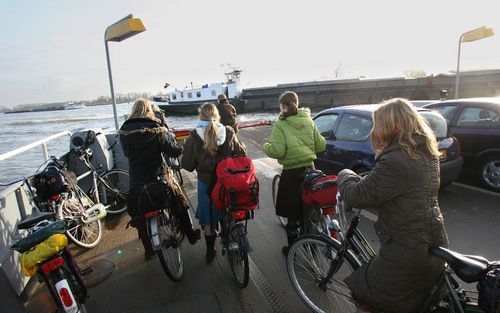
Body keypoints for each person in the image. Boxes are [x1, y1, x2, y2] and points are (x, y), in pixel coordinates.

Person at [337, 98, 449, 313]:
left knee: (367, 295)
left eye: (378, 124)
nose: (374, 130)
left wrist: (345, 175)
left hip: (407, 250)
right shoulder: (424, 149)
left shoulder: (396, 160)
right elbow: (396, 184)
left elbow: (356, 196)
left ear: (395, 127)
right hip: (434, 241)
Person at [119, 98, 201, 260]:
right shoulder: (156, 129)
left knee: (139, 211)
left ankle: (148, 250)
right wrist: (181, 147)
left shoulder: (124, 130)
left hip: (137, 178)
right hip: (158, 176)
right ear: (149, 110)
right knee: (179, 201)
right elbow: (172, 152)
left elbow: (127, 154)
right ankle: (190, 234)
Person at [262, 91, 326, 255]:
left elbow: (278, 150)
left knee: (292, 214)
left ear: (282, 106)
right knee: (309, 208)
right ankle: (311, 244)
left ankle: (292, 250)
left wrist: (266, 146)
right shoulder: (309, 120)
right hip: (310, 170)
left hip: (291, 174)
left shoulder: (280, 124)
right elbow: (321, 146)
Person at [181, 102, 246, 263]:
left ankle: (210, 251)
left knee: (208, 219)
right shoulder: (229, 132)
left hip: (206, 185)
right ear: (217, 115)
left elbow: (187, 166)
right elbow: (241, 154)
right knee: (229, 212)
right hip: (228, 183)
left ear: (200, 116)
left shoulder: (193, 137)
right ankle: (233, 241)